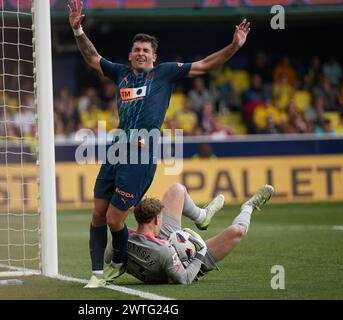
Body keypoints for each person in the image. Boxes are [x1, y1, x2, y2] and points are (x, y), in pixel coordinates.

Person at [67, 0, 251, 288]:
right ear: (130, 55)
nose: (141, 53)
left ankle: (119, 261)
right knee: (98, 214)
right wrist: (78, 30)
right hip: (117, 150)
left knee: (116, 218)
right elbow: (92, 58)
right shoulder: (120, 73)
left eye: (146, 50)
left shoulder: (165, 73)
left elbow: (204, 66)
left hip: (142, 152)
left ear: (154, 57)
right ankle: (97, 274)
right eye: (137, 50)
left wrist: (234, 46)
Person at [105, 183, 274, 285]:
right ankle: (249, 207)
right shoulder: (164, 250)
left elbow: (108, 258)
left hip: (156, 242)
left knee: (177, 190)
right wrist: (199, 252)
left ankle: (202, 216)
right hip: (187, 261)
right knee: (237, 231)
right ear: (157, 220)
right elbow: (184, 279)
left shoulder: (121, 239)